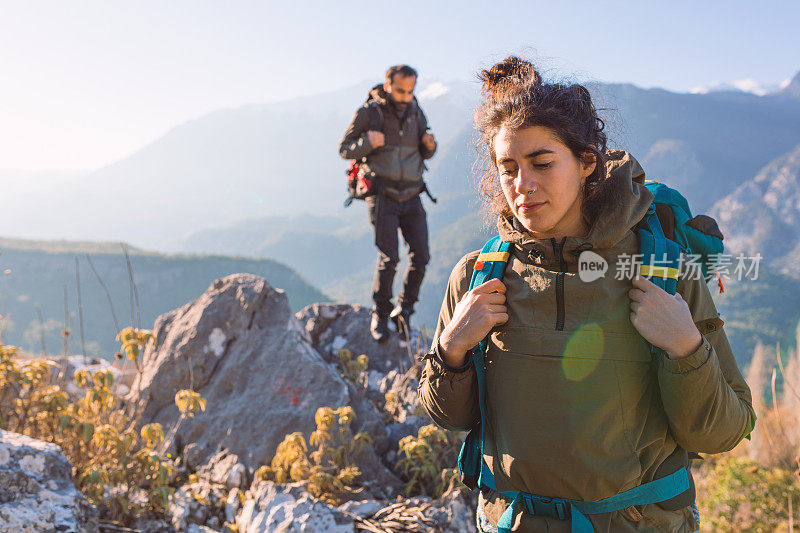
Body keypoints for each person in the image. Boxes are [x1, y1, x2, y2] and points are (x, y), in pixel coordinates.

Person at [418, 56, 755, 532]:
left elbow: (724, 431)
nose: (522, 186)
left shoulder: (661, 272)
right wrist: (452, 350)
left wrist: (686, 348)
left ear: (587, 162)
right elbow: (452, 418)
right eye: (507, 167)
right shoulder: (478, 275)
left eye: (542, 163)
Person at [338, 64, 437, 342]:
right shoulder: (370, 112)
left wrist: (430, 146)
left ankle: (404, 312)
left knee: (422, 257)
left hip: (413, 195)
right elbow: (344, 148)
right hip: (382, 196)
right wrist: (367, 143)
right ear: (387, 85)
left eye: (410, 90)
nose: (406, 96)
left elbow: (425, 152)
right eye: (401, 90)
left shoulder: (416, 111)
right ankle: (380, 315)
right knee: (389, 258)